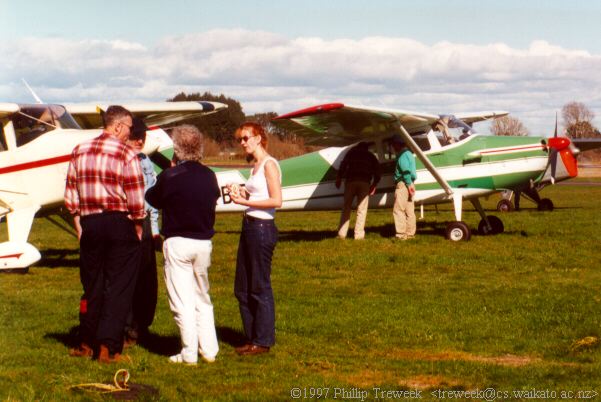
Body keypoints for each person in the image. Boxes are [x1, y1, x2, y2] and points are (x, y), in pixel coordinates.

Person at [64, 105, 145, 363]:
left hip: (91, 224)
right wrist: (138, 226)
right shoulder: (126, 154)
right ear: (118, 126)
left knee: (92, 286)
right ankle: (108, 347)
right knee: (119, 286)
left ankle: (86, 341)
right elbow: (136, 198)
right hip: (120, 222)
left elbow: (70, 196)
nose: (130, 133)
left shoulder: (79, 150)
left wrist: (79, 224)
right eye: (130, 128)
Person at [146, 124, 220, 365]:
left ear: (176, 150)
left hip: (178, 242)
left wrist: (169, 171)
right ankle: (209, 349)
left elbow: (152, 198)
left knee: (182, 300)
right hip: (203, 242)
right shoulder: (209, 175)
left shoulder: (171, 176)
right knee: (202, 297)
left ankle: (189, 352)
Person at [227, 122, 282, 356]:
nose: (243, 142)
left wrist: (244, 202)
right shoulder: (255, 166)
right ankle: (251, 338)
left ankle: (263, 341)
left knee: (259, 286)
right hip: (249, 226)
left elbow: (276, 201)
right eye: (240, 139)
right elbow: (256, 194)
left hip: (262, 228)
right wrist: (240, 193)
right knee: (242, 287)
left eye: (246, 138)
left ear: (259, 138)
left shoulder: (269, 165)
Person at [124, 118, 160, 345]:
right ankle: (127, 327)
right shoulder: (120, 159)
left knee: (147, 279)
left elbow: (152, 197)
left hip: (144, 222)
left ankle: (141, 326)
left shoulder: (145, 161)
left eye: (143, 137)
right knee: (127, 277)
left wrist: (154, 230)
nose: (139, 140)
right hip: (125, 221)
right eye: (135, 136)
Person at [335, 142, 380, 240]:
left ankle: (342, 234)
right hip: (364, 182)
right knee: (362, 210)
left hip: (351, 182)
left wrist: (338, 178)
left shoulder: (351, 153)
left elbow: (343, 165)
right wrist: (374, 184)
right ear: (367, 148)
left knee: (346, 207)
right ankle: (358, 235)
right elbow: (377, 171)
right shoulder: (370, 156)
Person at [391, 135, 417, 240]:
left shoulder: (402, 155)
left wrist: (408, 183)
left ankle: (401, 234)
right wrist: (411, 184)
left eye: (394, 145)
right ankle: (410, 234)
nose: (393, 147)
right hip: (409, 183)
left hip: (403, 184)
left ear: (398, 144)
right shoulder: (409, 154)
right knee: (409, 210)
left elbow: (405, 171)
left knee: (398, 210)